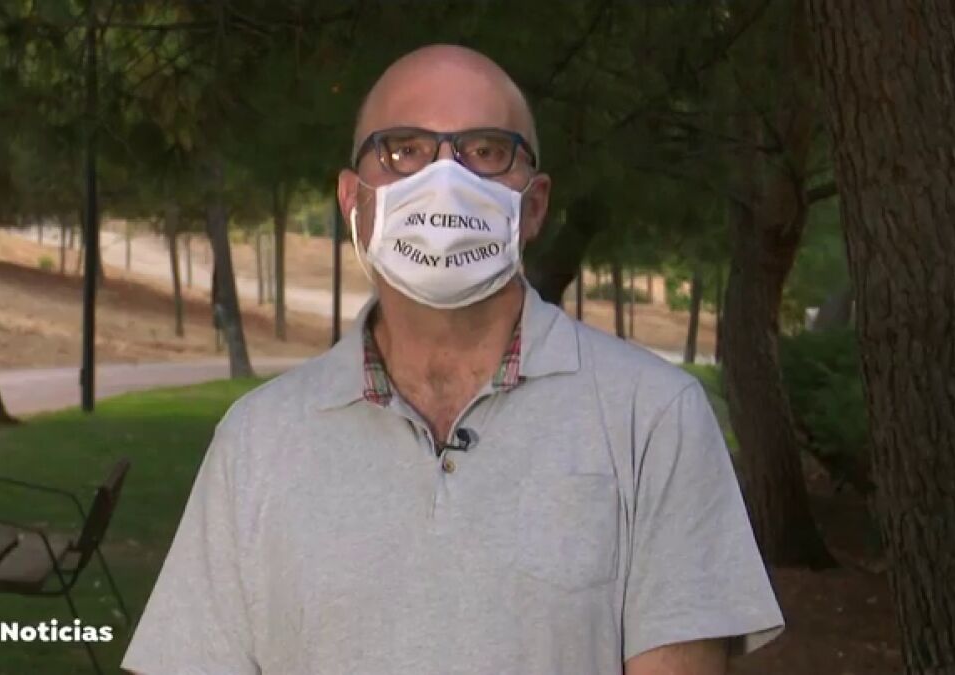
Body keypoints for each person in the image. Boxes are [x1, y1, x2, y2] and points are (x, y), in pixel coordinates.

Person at [122, 44, 784, 675]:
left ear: (535, 206)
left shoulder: (654, 419)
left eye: (485, 151)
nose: (444, 179)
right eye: (403, 150)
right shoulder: (255, 440)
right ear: (352, 199)